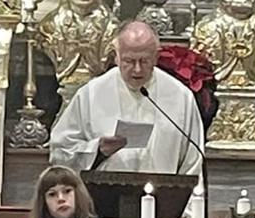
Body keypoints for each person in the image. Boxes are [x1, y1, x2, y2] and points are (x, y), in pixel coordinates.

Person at [49, 21, 204, 176]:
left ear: (156, 56)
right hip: (105, 189)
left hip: (164, 189)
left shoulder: (180, 97)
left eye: (144, 61)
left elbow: (193, 161)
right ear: (116, 56)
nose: (137, 69)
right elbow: (61, 152)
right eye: (129, 61)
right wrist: (97, 150)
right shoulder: (90, 94)